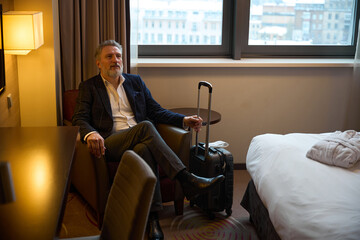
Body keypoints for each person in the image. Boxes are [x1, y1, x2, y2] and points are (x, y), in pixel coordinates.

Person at [72, 40, 224, 240]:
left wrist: (183, 120)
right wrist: (91, 134)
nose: (115, 60)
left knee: (144, 148)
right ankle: (186, 178)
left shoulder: (135, 82)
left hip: (140, 140)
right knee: (145, 127)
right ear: (99, 63)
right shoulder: (89, 87)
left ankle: (153, 220)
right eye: (109, 56)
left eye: (118, 56)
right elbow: (79, 118)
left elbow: (155, 110)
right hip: (110, 142)